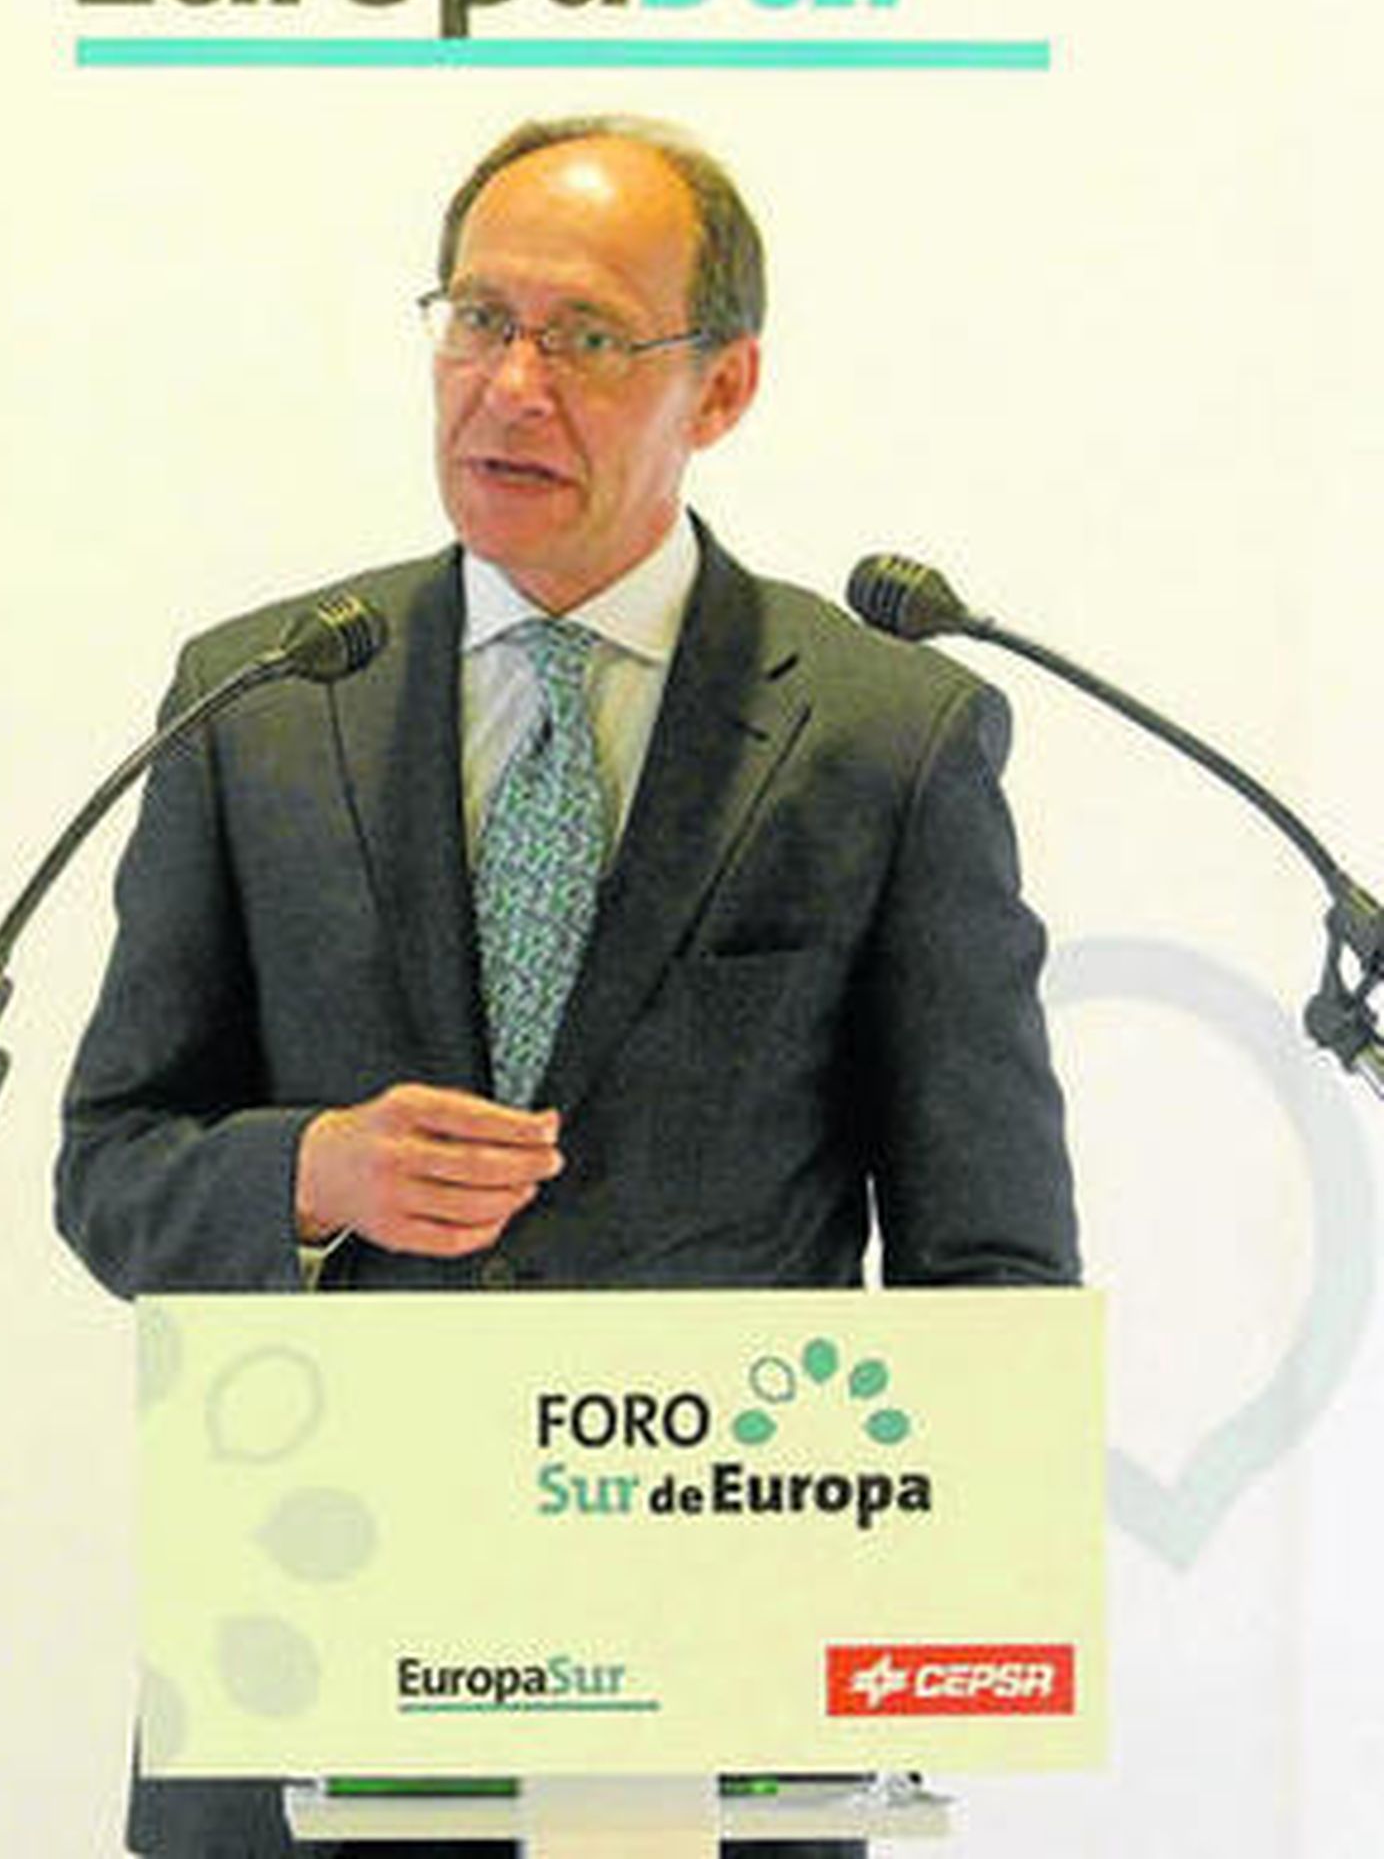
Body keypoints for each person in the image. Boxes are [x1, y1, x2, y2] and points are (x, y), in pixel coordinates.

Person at [56, 114, 1080, 1859]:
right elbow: (112, 1162)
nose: (509, 385)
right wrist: (311, 1172)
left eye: (587, 336)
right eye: (478, 319)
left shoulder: (885, 740)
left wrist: (892, 1616)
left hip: (715, 1720)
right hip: (316, 1701)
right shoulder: (265, 701)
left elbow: (992, 1271)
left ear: (723, 384)